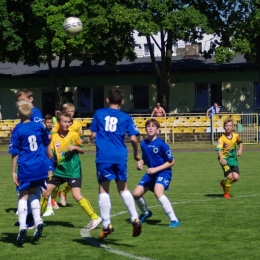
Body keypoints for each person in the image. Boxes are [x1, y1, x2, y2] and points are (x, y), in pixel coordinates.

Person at [90, 88, 142, 240]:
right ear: (122, 101)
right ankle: (135, 218)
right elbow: (133, 139)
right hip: (120, 156)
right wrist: (136, 153)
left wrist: (100, 138)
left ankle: (106, 225)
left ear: (107, 100)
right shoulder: (126, 117)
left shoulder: (99, 113)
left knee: (104, 190)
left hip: (104, 156)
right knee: (123, 189)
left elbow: (93, 134)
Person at [40, 112, 102, 230]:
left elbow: (82, 150)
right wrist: (47, 144)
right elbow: (49, 156)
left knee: (76, 195)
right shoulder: (54, 137)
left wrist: (75, 147)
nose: (67, 124)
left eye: (69, 122)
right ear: (59, 123)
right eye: (65, 121)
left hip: (73, 170)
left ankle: (95, 218)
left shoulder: (73, 135)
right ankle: (37, 218)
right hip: (59, 170)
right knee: (45, 192)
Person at [9, 100, 51, 246]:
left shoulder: (18, 130)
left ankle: (22, 227)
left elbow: (14, 152)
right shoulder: (39, 126)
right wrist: (50, 159)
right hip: (40, 167)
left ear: (18, 114)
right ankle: (38, 220)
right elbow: (46, 143)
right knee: (34, 192)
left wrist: (13, 171)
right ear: (32, 113)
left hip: (26, 167)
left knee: (23, 196)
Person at [132, 118, 180, 228]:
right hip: (151, 173)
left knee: (158, 192)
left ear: (157, 130)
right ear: (146, 129)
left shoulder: (162, 144)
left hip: (164, 172)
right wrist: (140, 162)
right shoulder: (143, 144)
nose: (150, 128)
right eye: (148, 126)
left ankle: (174, 220)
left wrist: (155, 169)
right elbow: (146, 159)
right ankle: (146, 213)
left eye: (153, 126)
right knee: (136, 194)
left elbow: (171, 162)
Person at [14, 89, 44, 229]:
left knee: (32, 190)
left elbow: (39, 133)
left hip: (33, 158)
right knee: (28, 190)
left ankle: (32, 219)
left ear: (30, 99)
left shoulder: (35, 113)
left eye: (23, 100)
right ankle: (28, 218)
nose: (21, 103)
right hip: (32, 158)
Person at [51, 103, 83, 207]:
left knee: (74, 179)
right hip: (60, 155)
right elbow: (53, 135)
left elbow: (79, 137)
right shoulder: (59, 124)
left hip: (72, 156)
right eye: (68, 111)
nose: (70, 113)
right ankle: (53, 199)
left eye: (72, 111)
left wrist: (79, 143)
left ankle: (63, 192)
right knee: (55, 179)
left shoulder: (77, 124)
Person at [216, 118, 243, 199]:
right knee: (230, 177)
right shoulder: (221, 138)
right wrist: (222, 159)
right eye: (226, 125)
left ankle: (224, 183)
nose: (228, 127)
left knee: (236, 178)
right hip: (224, 159)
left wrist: (240, 150)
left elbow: (240, 142)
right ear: (224, 127)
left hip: (233, 160)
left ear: (232, 127)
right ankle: (226, 193)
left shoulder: (236, 136)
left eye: (230, 126)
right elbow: (219, 150)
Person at [41, 114, 55, 216]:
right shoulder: (43, 132)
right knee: (43, 184)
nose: (49, 124)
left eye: (51, 122)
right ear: (44, 123)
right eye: (47, 122)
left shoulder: (54, 132)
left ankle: (50, 207)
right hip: (43, 159)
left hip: (50, 160)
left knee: (47, 185)